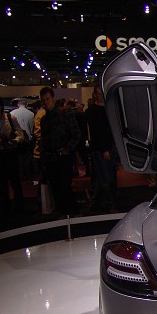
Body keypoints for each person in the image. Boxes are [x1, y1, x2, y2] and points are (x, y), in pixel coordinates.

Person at [39, 87, 81, 216]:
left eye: (47, 99)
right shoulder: (44, 119)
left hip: (63, 156)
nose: (46, 102)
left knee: (65, 186)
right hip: (51, 157)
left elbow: (76, 134)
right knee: (56, 187)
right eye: (43, 100)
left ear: (53, 98)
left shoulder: (65, 114)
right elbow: (44, 140)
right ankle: (65, 212)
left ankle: (72, 212)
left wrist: (67, 150)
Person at [85, 85, 117, 212]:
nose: (100, 96)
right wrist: (104, 149)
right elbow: (96, 133)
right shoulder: (91, 112)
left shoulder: (109, 109)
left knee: (109, 177)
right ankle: (108, 203)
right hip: (101, 149)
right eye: (98, 93)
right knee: (105, 178)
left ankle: (108, 201)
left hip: (110, 147)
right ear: (95, 94)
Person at [11, 98, 35, 179]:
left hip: (17, 138)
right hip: (27, 139)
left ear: (18, 104)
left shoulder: (12, 113)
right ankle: (27, 174)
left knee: (19, 158)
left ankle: (20, 174)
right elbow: (31, 129)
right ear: (26, 104)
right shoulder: (31, 114)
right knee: (27, 158)